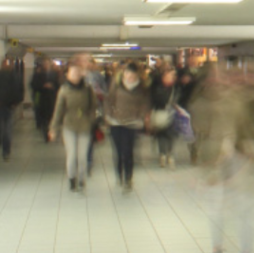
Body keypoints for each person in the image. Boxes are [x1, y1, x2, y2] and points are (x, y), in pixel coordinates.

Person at [195, 66, 254, 253]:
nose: (224, 81)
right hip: (214, 163)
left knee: (246, 208)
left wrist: (252, 149)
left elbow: (248, 130)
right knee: (216, 208)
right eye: (216, 78)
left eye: (224, 77)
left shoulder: (240, 101)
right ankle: (217, 247)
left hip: (239, 161)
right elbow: (200, 133)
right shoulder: (200, 104)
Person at [50, 60, 99, 192]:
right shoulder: (64, 90)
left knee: (82, 156)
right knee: (72, 154)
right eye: (73, 73)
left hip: (85, 126)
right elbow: (58, 110)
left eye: (78, 73)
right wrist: (53, 128)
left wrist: (91, 120)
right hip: (69, 126)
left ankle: (82, 179)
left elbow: (93, 107)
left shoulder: (88, 89)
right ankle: (72, 177)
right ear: (67, 75)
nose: (76, 75)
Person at [106, 62, 151, 193]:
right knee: (119, 152)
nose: (130, 78)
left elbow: (145, 104)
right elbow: (108, 101)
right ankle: (119, 173)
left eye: (133, 76)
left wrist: (142, 116)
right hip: (116, 123)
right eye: (128, 75)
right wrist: (109, 115)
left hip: (132, 123)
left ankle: (128, 179)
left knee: (128, 151)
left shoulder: (141, 89)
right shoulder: (116, 85)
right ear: (124, 74)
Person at [0, 58, 24, 161]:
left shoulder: (12, 77)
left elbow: (20, 90)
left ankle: (4, 147)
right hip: (3, 105)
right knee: (3, 127)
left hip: (6, 105)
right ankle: (3, 144)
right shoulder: (8, 77)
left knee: (5, 127)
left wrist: (15, 102)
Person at [150, 67, 180, 168]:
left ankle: (169, 154)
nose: (171, 78)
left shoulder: (176, 88)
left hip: (173, 114)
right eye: (168, 76)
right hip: (161, 114)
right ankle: (162, 154)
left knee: (171, 135)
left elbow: (181, 99)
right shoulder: (156, 87)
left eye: (172, 76)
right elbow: (153, 100)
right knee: (161, 135)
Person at [30, 59, 57, 139]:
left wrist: (53, 87)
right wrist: (43, 86)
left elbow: (57, 85)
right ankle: (45, 132)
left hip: (51, 99)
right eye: (45, 64)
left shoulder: (53, 75)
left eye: (47, 64)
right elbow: (33, 86)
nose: (46, 66)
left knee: (50, 117)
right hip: (42, 99)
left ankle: (49, 129)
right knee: (44, 117)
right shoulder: (37, 75)